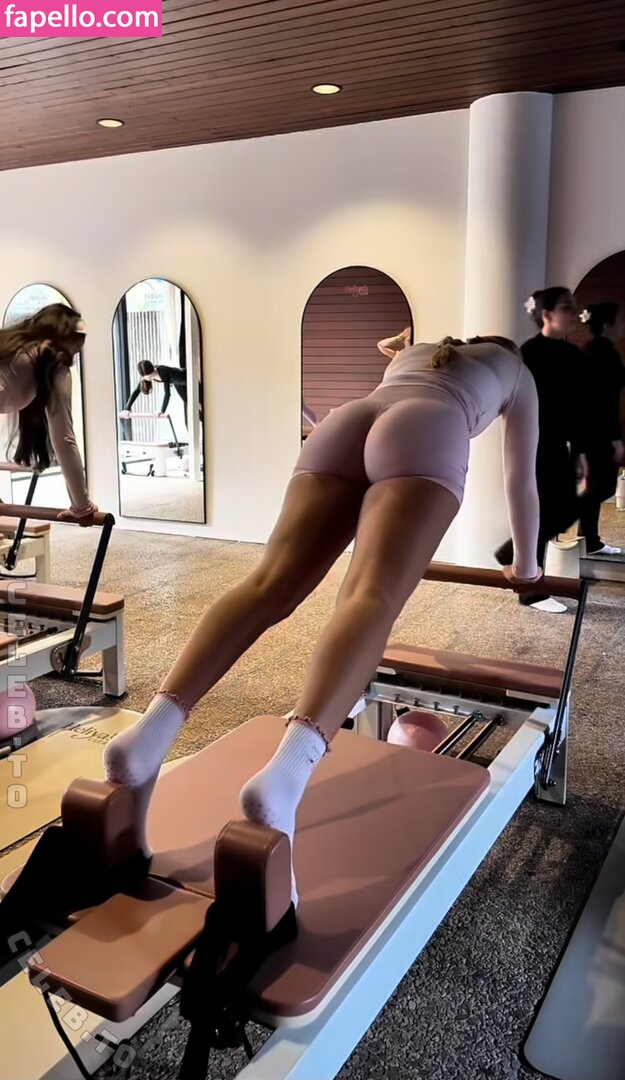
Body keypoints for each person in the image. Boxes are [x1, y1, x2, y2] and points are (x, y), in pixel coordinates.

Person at [104, 334, 541, 903]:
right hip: (427, 429)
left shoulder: (427, 349)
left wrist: (395, 350)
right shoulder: (516, 371)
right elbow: (520, 478)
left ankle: (151, 732)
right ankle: (285, 777)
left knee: (266, 584)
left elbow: (397, 355)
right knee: (369, 598)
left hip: (347, 422)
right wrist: (526, 568)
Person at [495, 287, 593, 613]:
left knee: (564, 509)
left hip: (560, 443)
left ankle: (512, 553)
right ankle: (531, 590)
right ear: (547, 314)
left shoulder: (573, 355)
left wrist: (580, 452)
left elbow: (581, 407)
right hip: (532, 442)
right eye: (566, 307)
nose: (574, 313)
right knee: (538, 512)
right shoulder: (528, 353)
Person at [0, 303, 96, 524]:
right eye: (75, 351)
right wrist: (82, 507)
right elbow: (64, 439)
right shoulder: (54, 360)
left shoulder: (17, 348)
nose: (73, 359)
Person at [576, 302, 625, 555]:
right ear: (607, 325)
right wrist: (615, 439)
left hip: (594, 431)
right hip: (599, 432)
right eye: (619, 320)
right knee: (601, 487)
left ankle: (588, 540)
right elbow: (603, 401)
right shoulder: (603, 354)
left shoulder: (596, 350)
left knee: (599, 486)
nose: (623, 325)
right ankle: (588, 541)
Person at [120, 360, 191, 428]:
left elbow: (167, 393)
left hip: (187, 377)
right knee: (189, 403)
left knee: (192, 402)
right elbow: (137, 391)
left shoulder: (162, 371)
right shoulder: (145, 376)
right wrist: (127, 408)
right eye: (148, 377)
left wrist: (162, 411)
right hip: (178, 383)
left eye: (151, 376)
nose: (150, 378)